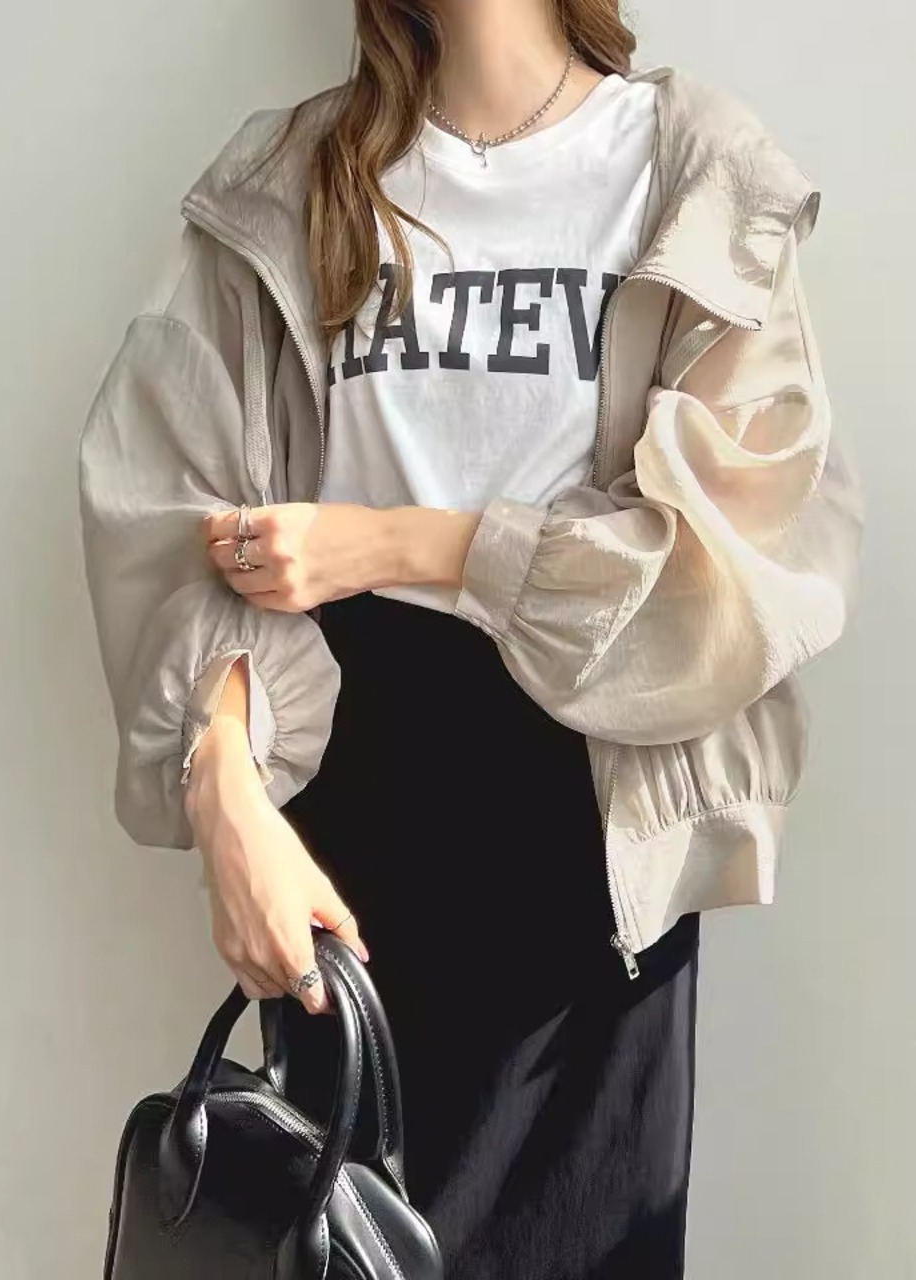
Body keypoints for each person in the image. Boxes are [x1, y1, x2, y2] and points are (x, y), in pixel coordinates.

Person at [79, 1, 862, 1274]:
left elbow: (733, 561)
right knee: (341, 1245)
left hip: (593, 832)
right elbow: (176, 505)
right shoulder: (295, 176)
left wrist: (396, 541)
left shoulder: (687, 169)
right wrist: (225, 797)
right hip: (346, 832)